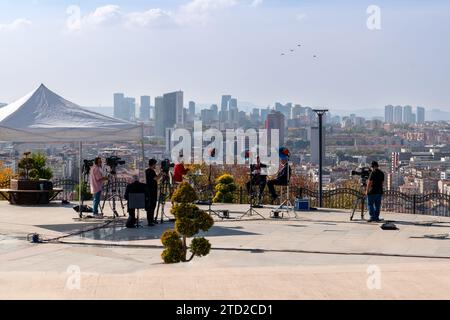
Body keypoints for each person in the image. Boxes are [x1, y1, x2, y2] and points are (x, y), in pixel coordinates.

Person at [145, 159, 159, 226]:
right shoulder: (151, 171)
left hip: (149, 190)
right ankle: (150, 221)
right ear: (153, 164)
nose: (155, 165)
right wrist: (161, 174)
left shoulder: (147, 171)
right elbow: (156, 178)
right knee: (152, 206)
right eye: (155, 164)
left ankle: (151, 220)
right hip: (152, 191)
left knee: (151, 206)